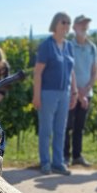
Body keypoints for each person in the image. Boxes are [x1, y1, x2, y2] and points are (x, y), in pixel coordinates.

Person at [33, 12, 78, 175]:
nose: (66, 25)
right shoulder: (46, 45)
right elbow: (37, 73)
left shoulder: (70, 46)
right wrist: (36, 95)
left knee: (61, 129)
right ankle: (45, 162)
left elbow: (72, 71)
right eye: (63, 22)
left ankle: (58, 162)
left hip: (64, 93)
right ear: (55, 24)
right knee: (46, 130)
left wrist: (74, 91)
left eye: (68, 23)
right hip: (47, 93)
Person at [65, 15, 97, 167]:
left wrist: (86, 90)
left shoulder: (92, 48)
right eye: (81, 24)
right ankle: (64, 157)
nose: (84, 27)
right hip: (71, 93)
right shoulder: (68, 46)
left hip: (86, 94)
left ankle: (77, 156)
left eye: (86, 24)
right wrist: (77, 92)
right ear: (74, 27)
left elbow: (95, 72)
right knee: (67, 126)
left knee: (79, 127)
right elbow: (68, 70)